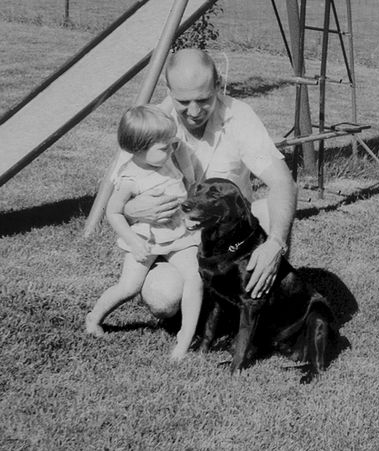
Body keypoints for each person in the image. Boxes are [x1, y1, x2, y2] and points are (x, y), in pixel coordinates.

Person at [121, 48, 297, 318]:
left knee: (269, 211)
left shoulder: (239, 115)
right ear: (168, 89)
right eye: (183, 101)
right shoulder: (151, 122)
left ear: (218, 84)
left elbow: (283, 183)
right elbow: (117, 197)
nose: (193, 112)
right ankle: (203, 301)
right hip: (177, 240)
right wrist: (132, 209)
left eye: (204, 100)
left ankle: (257, 293)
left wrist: (275, 244)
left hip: (231, 239)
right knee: (163, 298)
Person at [86, 105, 203, 361]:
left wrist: (174, 147)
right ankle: (95, 317)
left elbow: (185, 170)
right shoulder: (131, 177)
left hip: (178, 235)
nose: (171, 148)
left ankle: (185, 337)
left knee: (195, 277)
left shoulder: (167, 157)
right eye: (164, 147)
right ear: (139, 148)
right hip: (146, 239)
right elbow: (113, 213)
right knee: (129, 286)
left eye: (170, 142)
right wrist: (133, 242)